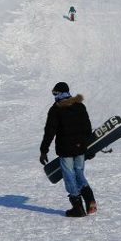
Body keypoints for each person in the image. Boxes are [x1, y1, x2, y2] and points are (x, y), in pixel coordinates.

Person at [40, 81, 96, 217]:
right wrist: (89, 147)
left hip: (66, 149)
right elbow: (87, 128)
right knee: (79, 173)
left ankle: (78, 208)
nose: (54, 96)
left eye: (55, 93)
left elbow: (50, 131)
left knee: (69, 176)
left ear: (60, 93)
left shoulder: (56, 109)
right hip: (80, 148)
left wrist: (44, 150)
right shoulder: (80, 106)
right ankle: (90, 201)